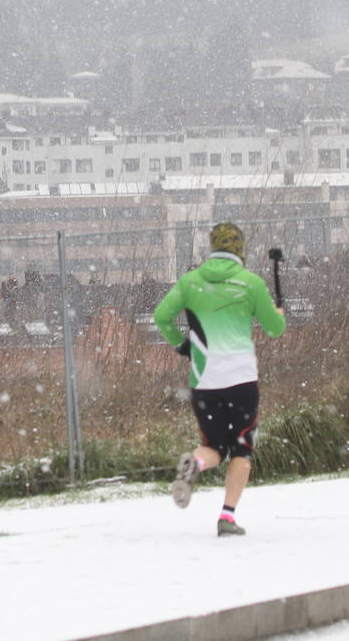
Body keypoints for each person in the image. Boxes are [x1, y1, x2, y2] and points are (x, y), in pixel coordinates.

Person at [153, 222, 285, 537]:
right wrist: (278, 315)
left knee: (213, 446)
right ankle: (226, 517)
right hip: (241, 381)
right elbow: (274, 330)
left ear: (212, 248)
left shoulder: (190, 282)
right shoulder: (250, 283)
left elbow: (161, 316)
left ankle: (195, 464)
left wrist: (182, 345)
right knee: (241, 448)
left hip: (204, 381)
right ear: (240, 249)